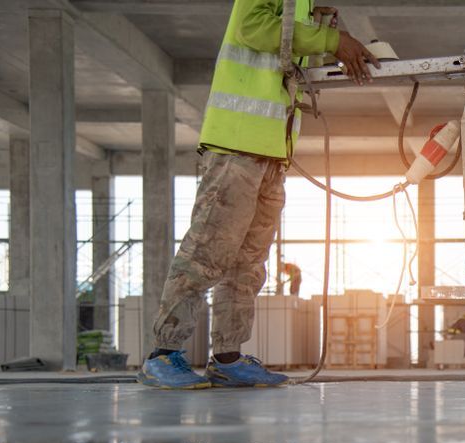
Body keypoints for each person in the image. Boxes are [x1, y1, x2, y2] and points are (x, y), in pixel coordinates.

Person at [138, 1, 379, 389]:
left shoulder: (297, 7)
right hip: (237, 144)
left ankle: (228, 358)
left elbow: (284, 56)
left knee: (248, 263)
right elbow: (254, 28)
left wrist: (320, 32)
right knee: (207, 251)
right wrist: (333, 39)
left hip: (271, 153)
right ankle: (162, 355)